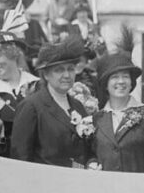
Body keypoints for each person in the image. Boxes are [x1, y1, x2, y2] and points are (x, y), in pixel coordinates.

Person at [11, 38, 89, 167]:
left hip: (77, 182)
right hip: (45, 183)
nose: (67, 75)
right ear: (46, 75)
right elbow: (20, 157)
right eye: (59, 70)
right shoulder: (31, 106)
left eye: (70, 69)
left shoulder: (78, 106)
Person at [88, 54, 144, 172]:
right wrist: (92, 164)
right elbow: (91, 154)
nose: (121, 81)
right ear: (106, 84)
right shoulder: (97, 119)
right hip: (105, 188)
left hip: (139, 188)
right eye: (115, 77)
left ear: (131, 82)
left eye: (125, 76)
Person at [0, 31, 39, 156]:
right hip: (7, 162)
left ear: (12, 54)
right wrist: (0, 129)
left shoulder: (38, 85)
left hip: (40, 162)